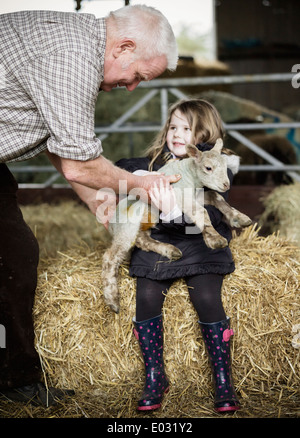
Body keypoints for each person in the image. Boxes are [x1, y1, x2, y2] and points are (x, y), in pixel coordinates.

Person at [0, 5, 179, 406]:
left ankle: (15, 380)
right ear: (124, 47)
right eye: (138, 76)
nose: (132, 87)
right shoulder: (69, 55)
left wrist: (106, 206)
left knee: (14, 255)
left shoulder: (77, 42)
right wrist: (140, 184)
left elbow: (63, 147)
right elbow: (81, 164)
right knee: (13, 255)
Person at [115, 98, 241, 413]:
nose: (177, 133)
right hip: (162, 241)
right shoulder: (159, 161)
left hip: (199, 241)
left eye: (187, 128)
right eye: (173, 126)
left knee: (207, 297)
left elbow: (211, 211)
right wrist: (142, 174)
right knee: (146, 295)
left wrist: (172, 209)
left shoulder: (213, 163)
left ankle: (223, 378)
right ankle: (155, 375)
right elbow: (121, 166)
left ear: (205, 134)